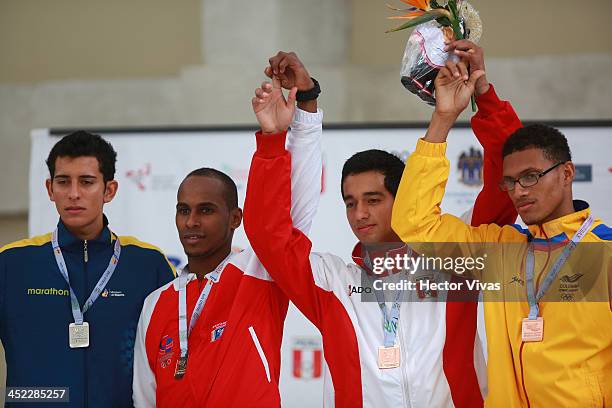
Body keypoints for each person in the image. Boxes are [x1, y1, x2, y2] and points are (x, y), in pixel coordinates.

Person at [243, 41, 520, 407]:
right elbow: (269, 234)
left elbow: (507, 180)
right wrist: (274, 139)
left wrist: (483, 95)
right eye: (351, 203)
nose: (360, 214)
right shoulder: (333, 283)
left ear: (403, 198)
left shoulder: (452, 255)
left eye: (374, 200)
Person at [390, 57, 612, 406]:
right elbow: (414, 223)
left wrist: (487, 96)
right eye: (510, 182)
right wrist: (444, 117)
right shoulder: (499, 249)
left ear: (567, 173)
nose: (519, 191)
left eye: (531, 177)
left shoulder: (606, 252)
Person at [132, 51, 323, 407]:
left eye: (206, 210)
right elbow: (145, 398)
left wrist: (303, 110)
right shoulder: (155, 304)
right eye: (184, 210)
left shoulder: (260, 272)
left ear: (235, 218)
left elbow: (294, 206)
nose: (191, 222)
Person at [0, 131, 176, 407]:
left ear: (110, 190)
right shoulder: (11, 263)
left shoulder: (148, 265)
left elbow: (176, 361)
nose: (73, 194)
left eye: (86, 182)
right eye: (63, 182)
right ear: (49, 189)